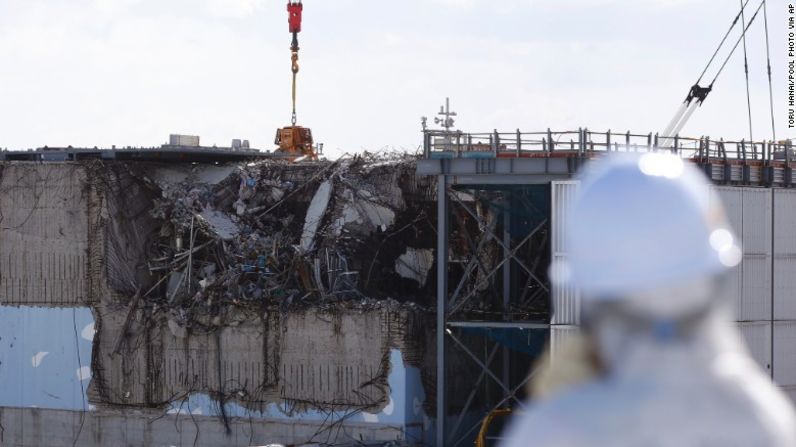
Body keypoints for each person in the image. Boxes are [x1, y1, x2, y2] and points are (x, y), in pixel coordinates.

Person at [501, 152, 796, 447]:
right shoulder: (764, 420)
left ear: (590, 296)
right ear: (716, 280)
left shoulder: (555, 430)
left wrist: (561, 409)